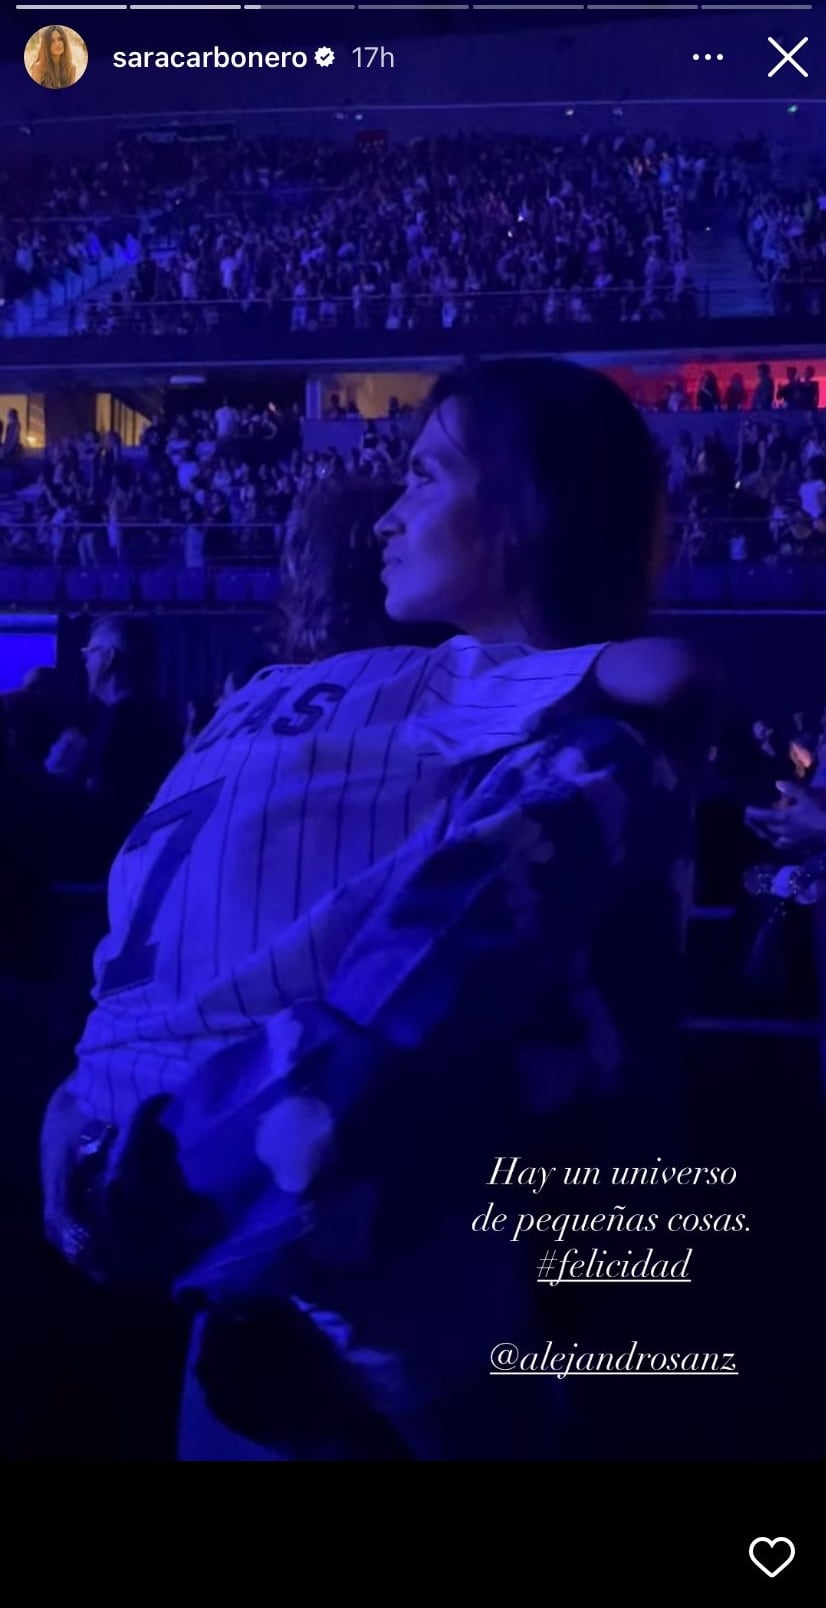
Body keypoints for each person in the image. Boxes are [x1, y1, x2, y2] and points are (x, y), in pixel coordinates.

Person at [42, 359, 703, 1461]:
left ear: (527, 509)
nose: (389, 516)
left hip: (287, 1265)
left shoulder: (338, 707)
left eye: (425, 476)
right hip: (292, 1259)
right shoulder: (451, 705)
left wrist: (103, 1146)